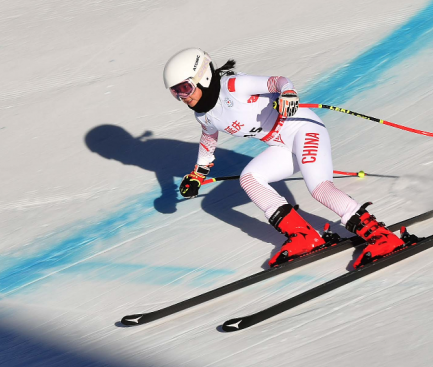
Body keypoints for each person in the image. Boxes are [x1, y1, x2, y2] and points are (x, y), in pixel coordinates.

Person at [163, 48, 404, 267]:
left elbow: (277, 81)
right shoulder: (203, 114)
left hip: (303, 129)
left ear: (203, 76)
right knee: (250, 178)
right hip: (280, 145)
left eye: (184, 88)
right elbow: (208, 138)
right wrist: (198, 173)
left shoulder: (234, 86)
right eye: (175, 92)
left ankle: (381, 236)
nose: (182, 97)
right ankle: (303, 236)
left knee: (319, 188)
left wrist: (287, 93)